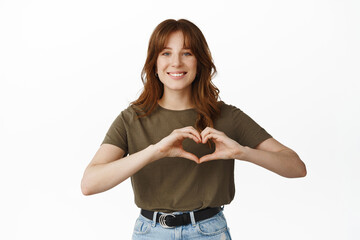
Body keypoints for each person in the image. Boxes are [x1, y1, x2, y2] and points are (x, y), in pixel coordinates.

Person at [81, 19, 307, 240]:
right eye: (166, 53)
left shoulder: (227, 116)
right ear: (154, 63)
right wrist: (154, 152)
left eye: (187, 53)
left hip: (209, 232)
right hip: (150, 233)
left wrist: (242, 152)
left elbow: (296, 167)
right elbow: (89, 183)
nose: (176, 63)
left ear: (199, 62)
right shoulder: (132, 119)